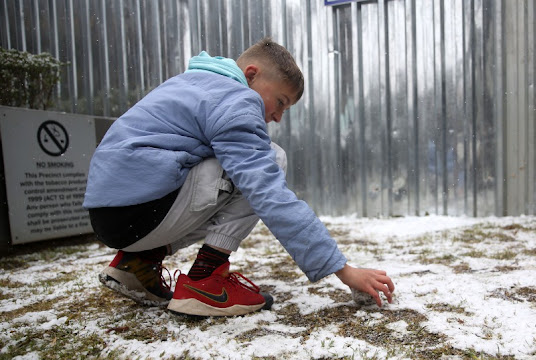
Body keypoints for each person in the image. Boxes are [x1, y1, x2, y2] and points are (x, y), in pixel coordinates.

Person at [83, 37, 395, 317]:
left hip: (110, 215)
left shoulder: (190, 83)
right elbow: (268, 193)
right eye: (281, 102)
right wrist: (342, 269)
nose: (277, 116)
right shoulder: (236, 99)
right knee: (270, 158)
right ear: (250, 75)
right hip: (141, 210)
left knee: (234, 160)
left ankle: (137, 264)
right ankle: (206, 279)